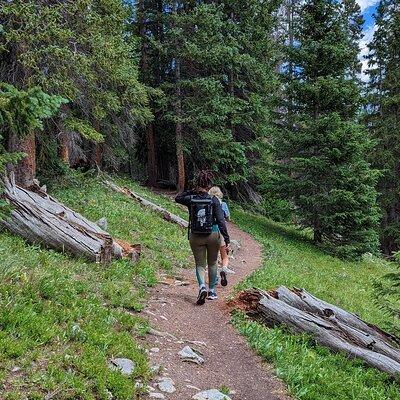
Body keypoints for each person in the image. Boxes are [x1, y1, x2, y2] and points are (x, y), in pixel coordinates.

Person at [175, 171, 230, 305]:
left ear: (197, 184)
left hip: (196, 235)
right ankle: (211, 291)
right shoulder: (214, 200)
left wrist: (192, 191)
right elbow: (221, 221)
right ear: (209, 185)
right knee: (212, 263)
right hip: (213, 235)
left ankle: (202, 287)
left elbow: (178, 197)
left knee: (200, 264)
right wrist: (227, 238)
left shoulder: (191, 198)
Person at [209, 186, 234, 287]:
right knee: (224, 256)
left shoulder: (208, 203)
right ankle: (224, 269)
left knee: (212, 259)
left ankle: (214, 279)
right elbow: (227, 218)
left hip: (210, 233)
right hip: (221, 233)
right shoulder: (223, 204)